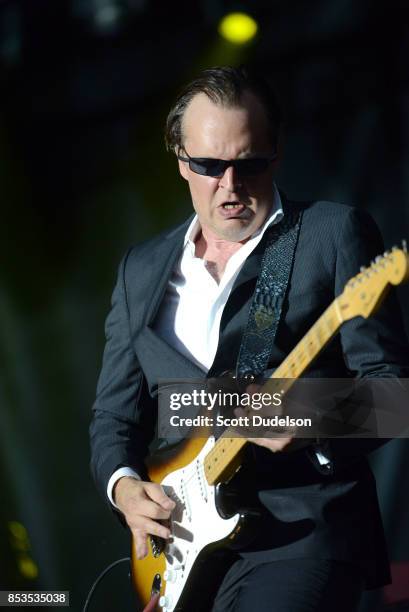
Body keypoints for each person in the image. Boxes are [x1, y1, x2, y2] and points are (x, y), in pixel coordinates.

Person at [90, 65, 409, 611]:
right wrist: (124, 487)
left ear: (276, 152)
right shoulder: (140, 271)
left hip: (302, 531)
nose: (231, 186)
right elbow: (115, 419)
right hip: (184, 546)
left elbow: (394, 396)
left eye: (250, 164)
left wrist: (307, 417)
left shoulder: (330, 233)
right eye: (211, 166)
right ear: (180, 160)